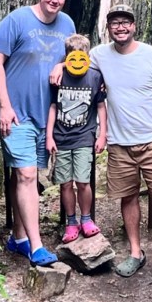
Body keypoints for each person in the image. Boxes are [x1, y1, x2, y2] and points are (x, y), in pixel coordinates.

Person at [0, 0, 75, 267]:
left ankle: (18, 237)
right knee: (27, 175)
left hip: (46, 115)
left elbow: (76, 57)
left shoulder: (67, 25)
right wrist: (4, 106)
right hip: (16, 113)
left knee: (21, 174)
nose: (55, 0)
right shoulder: (17, 20)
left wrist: (63, 64)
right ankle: (37, 247)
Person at [92, 4, 152, 284]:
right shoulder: (99, 55)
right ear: (108, 28)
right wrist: (59, 66)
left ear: (134, 26)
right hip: (119, 143)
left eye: (125, 22)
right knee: (127, 197)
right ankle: (136, 252)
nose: (121, 27)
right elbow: (75, 63)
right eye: (115, 22)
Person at [46, 34, 107, 242]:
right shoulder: (58, 76)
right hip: (61, 138)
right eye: (73, 56)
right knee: (65, 183)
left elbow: (101, 106)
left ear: (88, 56)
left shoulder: (95, 77)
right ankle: (71, 222)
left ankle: (86, 219)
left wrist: (102, 135)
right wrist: (49, 136)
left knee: (83, 181)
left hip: (84, 137)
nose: (78, 60)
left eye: (82, 56)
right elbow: (53, 107)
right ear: (67, 57)